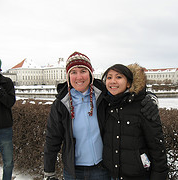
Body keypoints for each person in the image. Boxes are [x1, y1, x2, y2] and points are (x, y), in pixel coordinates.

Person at [43, 52, 160, 180]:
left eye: (83, 71)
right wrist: (49, 172)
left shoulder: (104, 95)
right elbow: (52, 139)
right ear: (68, 76)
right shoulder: (61, 104)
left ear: (90, 73)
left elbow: (128, 95)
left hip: (102, 169)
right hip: (73, 172)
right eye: (73, 72)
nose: (79, 77)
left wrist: (150, 97)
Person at [101, 64, 169, 180]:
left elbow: (157, 146)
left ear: (128, 83)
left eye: (118, 77)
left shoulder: (143, 107)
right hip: (112, 174)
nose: (113, 81)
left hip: (137, 176)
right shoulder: (105, 105)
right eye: (109, 77)